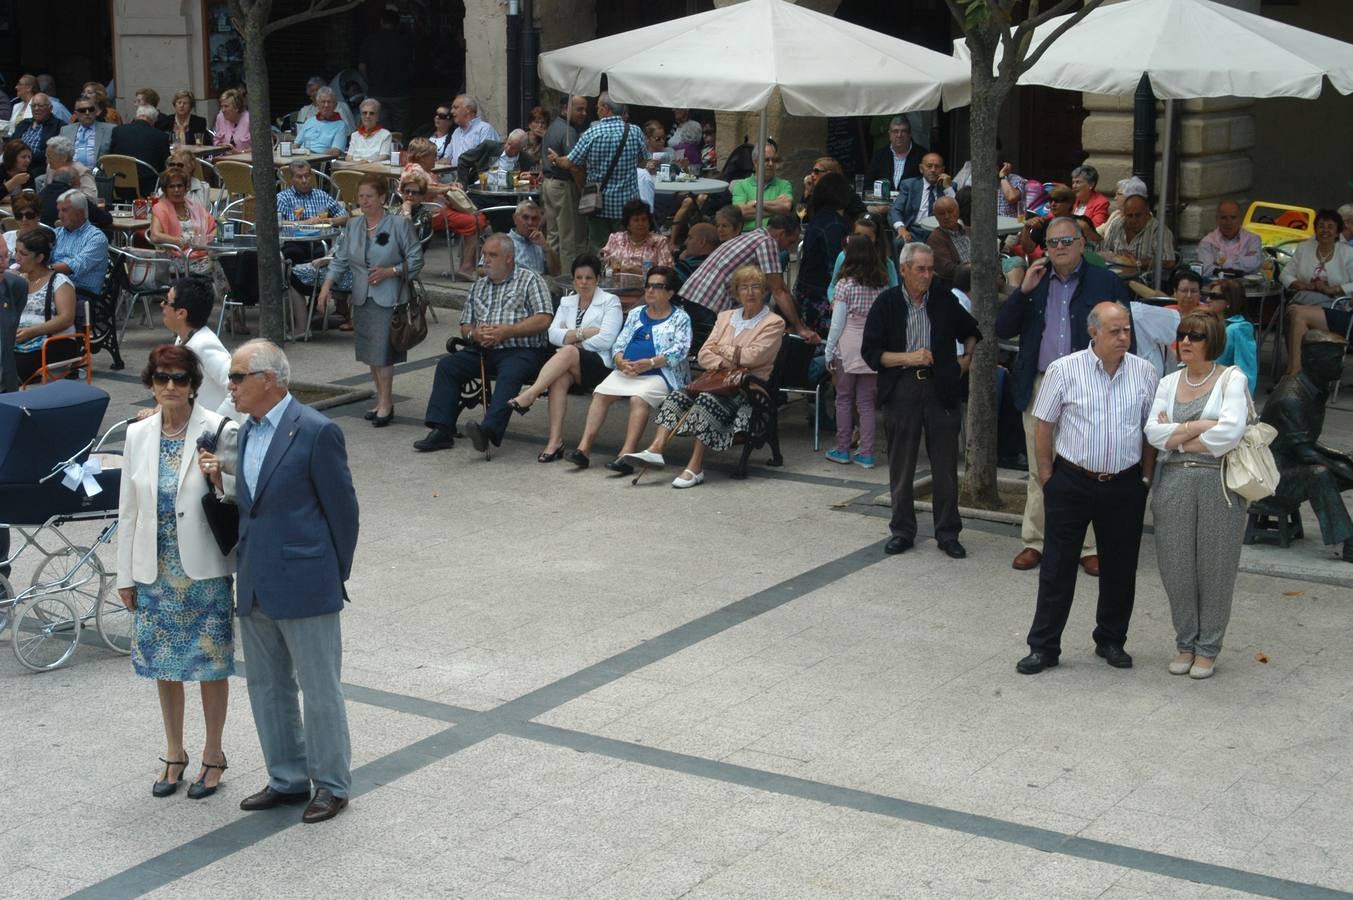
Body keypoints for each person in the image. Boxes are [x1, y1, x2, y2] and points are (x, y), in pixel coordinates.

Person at [206, 340, 358, 825]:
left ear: (268, 380)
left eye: (237, 377)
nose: (229, 386)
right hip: (255, 581)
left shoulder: (316, 431)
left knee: (319, 690)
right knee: (267, 687)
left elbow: (344, 512)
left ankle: (331, 785)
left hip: (307, 582)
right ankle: (287, 778)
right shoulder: (247, 432)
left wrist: (331, 573)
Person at [116, 344, 238, 799]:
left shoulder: (219, 429)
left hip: (203, 571)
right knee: (164, 667)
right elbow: (128, 512)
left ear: (193, 385)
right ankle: (174, 751)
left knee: (210, 667)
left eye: (180, 379)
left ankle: (213, 752)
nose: (170, 387)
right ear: (150, 382)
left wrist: (218, 478)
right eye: (162, 378)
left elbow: (241, 498)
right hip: (155, 571)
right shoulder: (138, 434)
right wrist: (124, 575)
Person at [1016, 302, 1158, 675]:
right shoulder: (1065, 370)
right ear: (1093, 332)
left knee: (1120, 568)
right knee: (1057, 567)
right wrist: (1048, 478)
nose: (1123, 337)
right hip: (1072, 481)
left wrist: (1145, 478)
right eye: (1115, 331)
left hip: (1125, 483)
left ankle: (1111, 639)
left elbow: (1149, 431)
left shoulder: (1145, 372)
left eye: (1127, 330)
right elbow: (1043, 425)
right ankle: (1044, 646)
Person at [996, 216, 1132, 575]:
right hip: (1040, 383)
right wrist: (1021, 291)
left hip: (1087, 385)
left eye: (1066, 241)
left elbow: (1124, 336)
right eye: (1052, 243)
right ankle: (1035, 542)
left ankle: (1088, 547)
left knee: (1085, 468)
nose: (1058, 248)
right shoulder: (1035, 278)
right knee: (1039, 468)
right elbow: (1002, 328)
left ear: (1082, 244)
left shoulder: (1105, 282)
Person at [1143, 310, 1250, 680]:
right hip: (1172, 483)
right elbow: (1152, 434)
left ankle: (1208, 648)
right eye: (1183, 334)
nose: (1186, 341)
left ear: (1213, 342)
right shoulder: (1168, 381)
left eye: (1196, 336)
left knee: (1216, 570)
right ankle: (1185, 641)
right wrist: (1198, 426)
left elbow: (1229, 435)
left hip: (1218, 485)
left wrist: (1177, 436)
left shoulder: (1231, 378)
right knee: (1176, 569)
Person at [861, 242, 979, 556]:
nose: (927, 275)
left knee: (945, 465)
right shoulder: (887, 303)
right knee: (902, 465)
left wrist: (965, 360)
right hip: (902, 388)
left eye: (930, 269)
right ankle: (901, 530)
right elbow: (871, 354)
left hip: (941, 388)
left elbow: (972, 330)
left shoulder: (943, 299)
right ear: (903, 270)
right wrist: (907, 358)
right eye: (920, 269)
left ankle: (948, 532)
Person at [625, 265, 785, 489]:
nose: (750, 292)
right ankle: (656, 449)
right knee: (678, 396)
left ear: (764, 291)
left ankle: (695, 467)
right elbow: (703, 354)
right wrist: (730, 357)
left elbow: (753, 357)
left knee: (706, 401)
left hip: (746, 387)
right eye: (744, 287)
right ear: (736, 292)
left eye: (756, 287)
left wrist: (724, 349)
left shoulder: (774, 322)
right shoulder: (725, 316)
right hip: (716, 380)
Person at [415, 233, 552, 454]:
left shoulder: (530, 279)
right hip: (483, 349)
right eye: (484, 254)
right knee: (448, 366)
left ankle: (488, 431)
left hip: (521, 349)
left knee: (511, 372)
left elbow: (544, 318)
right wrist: (474, 335)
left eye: (492, 255)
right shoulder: (479, 286)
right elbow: (466, 325)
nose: (485, 260)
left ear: (508, 258)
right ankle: (442, 430)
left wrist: (508, 331)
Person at [318, 174, 423, 427]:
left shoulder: (398, 224)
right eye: (361, 196)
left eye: (369, 197)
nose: (364, 201)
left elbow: (416, 259)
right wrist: (326, 286)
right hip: (362, 297)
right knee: (370, 353)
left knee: (383, 354)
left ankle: (386, 403)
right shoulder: (353, 225)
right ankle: (380, 399)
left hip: (390, 298)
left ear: (382, 199)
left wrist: (392, 271)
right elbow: (341, 259)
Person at [570, 267, 692, 473]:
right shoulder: (636, 313)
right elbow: (619, 343)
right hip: (629, 371)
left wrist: (650, 363)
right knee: (601, 393)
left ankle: (625, 456)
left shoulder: (680, 318)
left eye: (657, 286)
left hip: (661, 374)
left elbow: (679, 351)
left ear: (670, 293)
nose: (650, 290)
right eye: (648, 285)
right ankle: (583, 450)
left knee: (639, 398)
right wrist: (619, 360)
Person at [508, 253, 623, 462]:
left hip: (601, 366)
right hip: (573, 364)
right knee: (559, 379)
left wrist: (570, 338)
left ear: (597, 279)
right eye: (579, 278)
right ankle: (555, 442)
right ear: (573, 280)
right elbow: (552, 335)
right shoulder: (567, 301)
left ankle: (531, 394)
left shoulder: (610, 301)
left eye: (589, 278)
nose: (583, 282)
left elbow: (606, 339)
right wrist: (584, 333)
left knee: (569, 351)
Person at [1261, 331, 1353, 563]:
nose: (1342, 365)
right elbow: (1306, 452)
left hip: (1293, 463)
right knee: (1319, 474)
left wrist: (1344, 459)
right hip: (1271, 479)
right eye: (1335, 360)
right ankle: (1349, 542)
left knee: (1343, 464)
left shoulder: (1312, 388)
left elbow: (1307, 445)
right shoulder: (1291, 398)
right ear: (1313, 361)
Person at [676, 214, 815, 344]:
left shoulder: (751, 236)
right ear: (781, 234)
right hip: (709, 302)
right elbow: (779, 290)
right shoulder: (766, 242)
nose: (788, 247)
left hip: (694, 295)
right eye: (790, 242)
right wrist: (800, 328)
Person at [823, 235, 888, 469]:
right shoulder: (882, 284)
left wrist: (829, 350)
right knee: (867, 402)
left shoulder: (845, 285)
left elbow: (837, 323)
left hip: (848, 345)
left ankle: (842, 448)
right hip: (872, 344)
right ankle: (867, 453)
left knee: (844, 398)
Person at [554, 92, 648, 250]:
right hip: (626, 207)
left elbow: (570, 162)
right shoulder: (635, 131)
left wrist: (556, 159)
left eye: (598, 106)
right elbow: (643, 160)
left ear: (606, 109)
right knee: (626, 249)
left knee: (601, 249)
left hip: (598, 205)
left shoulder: (592, 133)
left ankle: (604, 274)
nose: (596, 110)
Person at [1281, 208, 1353, 373]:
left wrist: (1333, 289)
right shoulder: (1304, 248)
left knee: (1293, 312)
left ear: (1337, 232)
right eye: (1321, 226)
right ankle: (1300, 371)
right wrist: (1305, 285)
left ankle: (1294, 373)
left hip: (1336, 306)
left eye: (1330, 227)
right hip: (1305, 298)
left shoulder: (1348, 253)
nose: (1325, 230)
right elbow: (1285, 275)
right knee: (1294, 311)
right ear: (1315, 229)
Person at [160, 275, 234, 417]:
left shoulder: (205, 345)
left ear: (181, 313)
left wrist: (217, 426)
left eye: (166, 301)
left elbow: (237, 388)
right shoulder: (183, 339)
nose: (162, 305)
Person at [11, 230, 79, 382]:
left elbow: (66, 318)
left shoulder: (59, 281)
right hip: (20, 343)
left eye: (23, 253)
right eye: (16, 251)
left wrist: (32, 332)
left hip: (53, 343)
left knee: (10, 369)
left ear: (40, 257)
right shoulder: (18, 281)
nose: (17, 257)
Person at [795, 171, 854, 338]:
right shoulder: (836, 225)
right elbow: (837, 264)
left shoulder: (818, 218)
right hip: (822, 294)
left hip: (806, 289)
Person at [541, 95, 589, 282]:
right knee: (569, 237)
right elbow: (573, 166)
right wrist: (582, 187)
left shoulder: (554, 127)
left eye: (585, 109)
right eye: (579, 109)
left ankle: (554, 280)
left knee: (554, 236)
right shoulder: (569, 132)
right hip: (563, 185)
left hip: (549, 184)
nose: (583, 113)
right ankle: (569, 284)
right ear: (564, 109)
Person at [358, 8, 412, 133]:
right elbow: (411, 66)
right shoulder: (404, 41)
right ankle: (400, 151)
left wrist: (370, 82)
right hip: (400, 93)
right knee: (400, 132)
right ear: (397, 24)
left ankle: (382, 152)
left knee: (379, 131)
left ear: (381, 21)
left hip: (377, 92)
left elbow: (362, 67)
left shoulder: (370, 40)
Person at [51, 190, 109, 298]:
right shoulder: (57, 233)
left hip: (80, 294)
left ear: (80, 213)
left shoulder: (96, 238)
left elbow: (75, 267)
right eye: (59, 210)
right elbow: (42, 256)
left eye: (64, 210)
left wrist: (44, 271)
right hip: (55, 286)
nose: (59, 215)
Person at [1206, 278, 1258, 395]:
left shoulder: (1239, 328)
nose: (1208, 299)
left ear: (1229, 301)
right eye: (1208, 295)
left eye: (1214, 296)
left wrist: (1243, 402)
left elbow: (1246, 371)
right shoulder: (1213, 323)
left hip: (1226, 395)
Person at [888, 152, 953, 243]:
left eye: (937, 167)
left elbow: (956, 210)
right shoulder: (909, 185)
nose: (933, 170)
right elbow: (895, 210)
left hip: (940, 232)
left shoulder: (948, 186)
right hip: (914, 231)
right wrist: (901, 228)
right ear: (921, 169)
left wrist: (948, 188)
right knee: (899, 242)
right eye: (929, 166)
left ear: (942, 170)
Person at [1100, 194, 1177, 272]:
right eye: (1129, 216)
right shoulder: (1117, 225)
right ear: (1124, 214)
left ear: (1147, 213)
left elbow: (1169, 262)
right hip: (1116, 275)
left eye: (1138, 215)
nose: (1133, 220)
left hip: (1144, 280)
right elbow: (1104, 250)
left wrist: (1138, 262)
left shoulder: (1159, 231)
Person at [109, 105, 171, 195]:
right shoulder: (161, 136)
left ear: (136, 116)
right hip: (148, 187)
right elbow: (165, 164)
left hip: (119, 184)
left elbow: (111, 155)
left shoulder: (117, 131)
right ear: (153, 120)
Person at [601, 198, 672, 277]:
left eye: (644, 219)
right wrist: (621, 269)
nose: (641, 223)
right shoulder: (616, 238)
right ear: (628, 224)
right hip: (614, 285)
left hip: (648, 287)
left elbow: (666, 271)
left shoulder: (659, 242)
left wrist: (637, 271)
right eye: (636, 220)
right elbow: (604, 265)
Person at [730, 143, 793, 232]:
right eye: (766, 160)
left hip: (775, 236)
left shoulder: (784, 184)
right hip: (748, 236)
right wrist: (776, 208)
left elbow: (786, 208)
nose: (771, 164)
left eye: (774, 160)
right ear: (755, 162)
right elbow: (741, 213)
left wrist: (756, 203)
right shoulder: (741, 185)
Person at [1197, 200, 1261, 276]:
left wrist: (1221, 263)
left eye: (1233, 217)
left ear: (1240, 219)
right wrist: (1242, 265)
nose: (1228, 222)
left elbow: (1254, 264)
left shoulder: (1253, 239)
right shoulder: (1206, 243)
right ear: (1217, 219)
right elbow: (1206, 270)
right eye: (1224, 218)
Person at [456, 128, 537, 187]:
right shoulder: (489, 147)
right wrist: (463, 186)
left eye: (513, 148)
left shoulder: (527, 161)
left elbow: (532, 182)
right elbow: (463, 159)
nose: (508, 148)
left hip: (507, 196)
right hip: (481, 190)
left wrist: (529, 179)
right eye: (508, 144)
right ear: (506, 139)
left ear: (522, 148)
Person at [867, 115, 927, 192]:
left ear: (910, 134)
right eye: (895, 131)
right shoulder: (880, 155)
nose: (899, 135)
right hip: (884, 203)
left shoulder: (922, 155)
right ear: (889, 134)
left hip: (911, 203)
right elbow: (868, 184)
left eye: (904, 131)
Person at [12, 93, 61, 177]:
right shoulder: (24, 123)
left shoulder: (58, 126)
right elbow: (12, 144)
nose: (36, 109)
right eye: (33, 106)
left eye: (40, 106)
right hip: (14, 164)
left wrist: (25, 157)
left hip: (37, 168)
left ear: (50, 108)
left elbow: (51, 153)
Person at [34, 136, 96, 201]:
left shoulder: (82, 172)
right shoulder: (50, 167)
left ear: (64, 157)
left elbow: (91, 199)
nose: (47, 161)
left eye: (49, 157)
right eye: (46, 157)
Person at [501, 199, 553, 276]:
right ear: (515, 218)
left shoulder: (540, 243)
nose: (530, 223)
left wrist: (546, 247)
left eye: (534, 219)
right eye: (525, 217)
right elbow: (481, 270)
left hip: (539, 284)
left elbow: (556, 272)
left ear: (539, 221)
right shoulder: (502, 241)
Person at [60, 98, 113, 169]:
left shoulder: (110, 130)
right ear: (76, 114)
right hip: (71, 173)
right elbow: (57, 154)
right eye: (82, 110)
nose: (87, 113)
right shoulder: (65, 130)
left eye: (91, 109)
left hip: (98, 174)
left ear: (96, 111)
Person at [926, 196, 970, 282]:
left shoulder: (970, 231)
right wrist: (974, 268)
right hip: (958, 284)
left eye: (950, 211)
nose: (947, 216)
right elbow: (946, 269)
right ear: (936, 217)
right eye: (941, 213)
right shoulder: (935, 238)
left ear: (958, 212)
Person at [448, 94, 499, 166]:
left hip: (477, 176)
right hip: (455, 175)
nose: (451, 111)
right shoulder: (456, 132)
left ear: (468, 109)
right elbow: (447, 157)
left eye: (455, 108)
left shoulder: (484, 129)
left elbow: (488, 160)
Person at [1097, 175, 1148, 239]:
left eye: (1118, 194)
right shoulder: (1116, 214)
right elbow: (1098, 231)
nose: (1115, 198)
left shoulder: (1141, 221)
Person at [2, 192, 42, 270]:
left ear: (38, 215)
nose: (24, 220)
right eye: (19, 216)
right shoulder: (6, 237)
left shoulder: (48, 238)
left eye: (29, 215)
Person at [673, 222, 718, 289]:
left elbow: (667, 287)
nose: (685, 242)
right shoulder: (717, 262)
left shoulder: (687, 266)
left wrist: (681, 261)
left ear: (702, 242)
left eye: (690, 238)